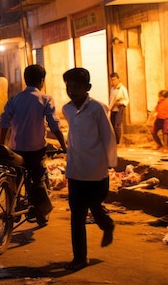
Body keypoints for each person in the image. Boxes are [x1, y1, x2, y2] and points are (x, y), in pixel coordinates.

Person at [62, 67, 117, 271]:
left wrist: (111, 164)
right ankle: (80, 257)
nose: (72, 91)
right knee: (77, 214)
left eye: (77, 87)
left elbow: (108, 136)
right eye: (69, 87)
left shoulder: (98, 108)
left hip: (96, 169)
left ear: (88, 87)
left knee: (94, 205)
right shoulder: (66, 109)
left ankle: (107, 224)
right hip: (75, 169)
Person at [0, 65, 67, 225]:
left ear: (25, 79)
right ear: (42, 81)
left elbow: (4, 123)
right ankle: (41, 213)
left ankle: (12, 207)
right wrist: (63, 145)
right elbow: (54, 125)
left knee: (14, 179)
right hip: (36, 150)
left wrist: (1, 145)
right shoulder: (45, 99)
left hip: (15, 149)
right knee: (38, 180)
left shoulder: (14, 99)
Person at [108, 72, 129, 145]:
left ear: (118, 79)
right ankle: (114, 141)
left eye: (114, 79)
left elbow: (127, 100)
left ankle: (118, 141)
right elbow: (111, 99)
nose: (113, 81)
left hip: (119, 108)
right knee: (112, 125)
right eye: (112, 80)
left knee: (117, 125)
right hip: (113, 109)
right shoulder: (112, 89)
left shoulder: (122, 89)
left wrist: (120, 103)